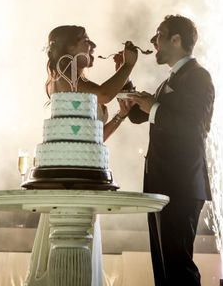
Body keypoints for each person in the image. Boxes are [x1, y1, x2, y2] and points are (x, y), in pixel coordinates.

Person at [41, 25, 138, 285]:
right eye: (85, 41)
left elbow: (93, 137)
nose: (93, 45)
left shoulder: (78, 85)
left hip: (85, 170)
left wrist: (120, 116)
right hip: (68, 176)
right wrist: (128, 66)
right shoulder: (65, 70)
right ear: (68, 49)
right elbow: (106, 94)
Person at [128, 15, 214, 286]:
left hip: (181, 184)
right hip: (162, 185)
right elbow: (144, 115)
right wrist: (128, 88)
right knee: (164, 268)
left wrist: (152, 107)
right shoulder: (170, 79)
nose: (153, 41)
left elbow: (192, 126)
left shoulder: (198, 77)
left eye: (159, 35)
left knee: (178, 266)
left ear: (176, 40)